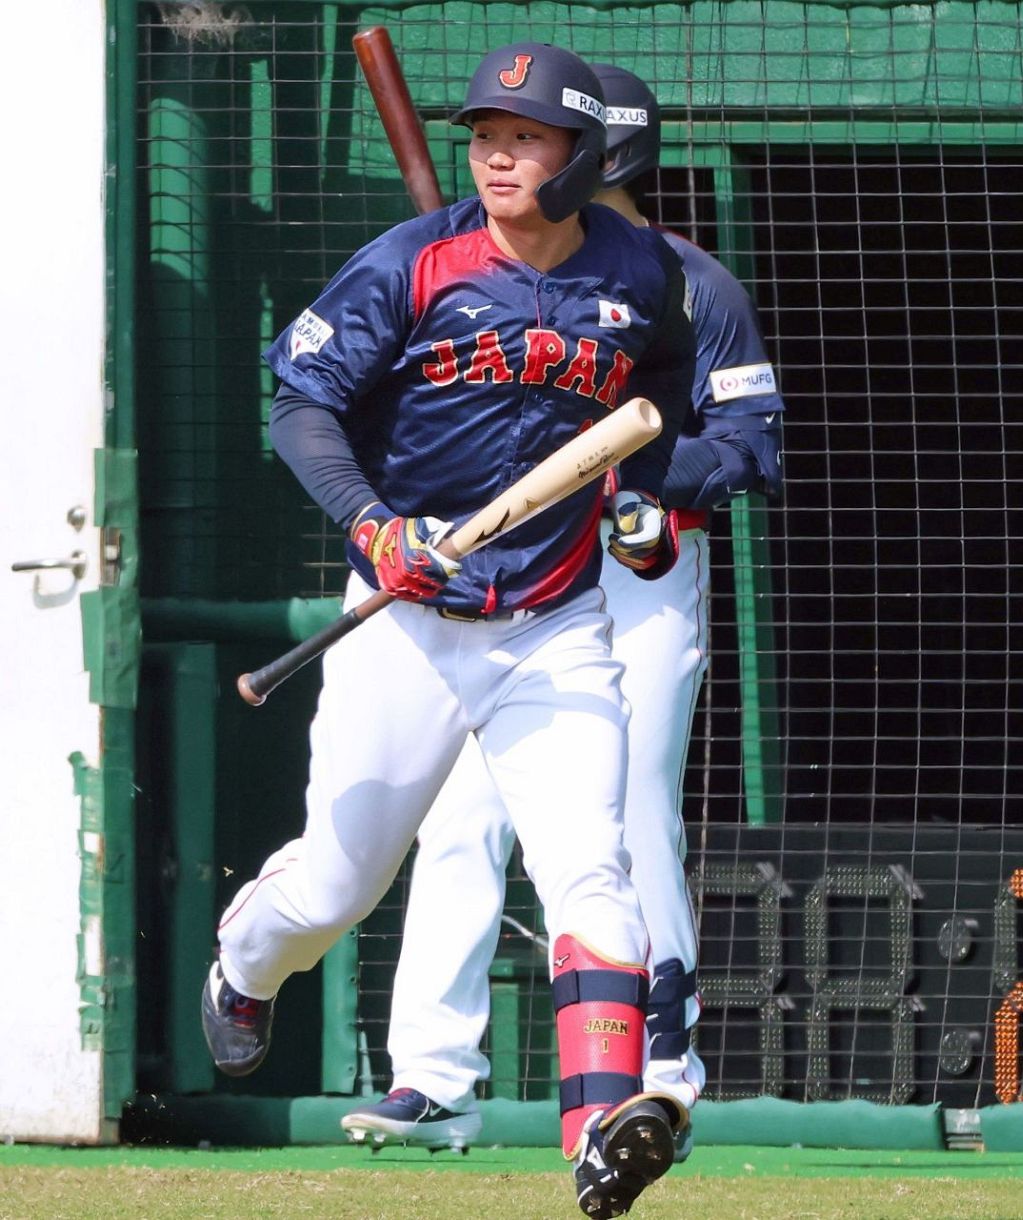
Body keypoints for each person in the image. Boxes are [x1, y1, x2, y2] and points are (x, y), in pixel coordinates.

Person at [200, 43, 699, 1220]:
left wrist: (639, 494)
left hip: (554, 618)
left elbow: (663, 389)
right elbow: (301, 404)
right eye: (484, 131)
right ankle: (242, 957)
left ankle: (599, 1134)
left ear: (584, 159)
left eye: (525, 136)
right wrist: (375, 526)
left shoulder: (641, 271)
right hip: (407, 619)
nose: (495, 151)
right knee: (334, 888)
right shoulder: (411, 264)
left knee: (593, 866)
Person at [339, 62, 786, 1166]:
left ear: (593, 156)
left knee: (626, 821)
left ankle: (656, 1082)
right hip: (497, 576)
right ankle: (436, 1079)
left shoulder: (689, 283)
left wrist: (619, 472)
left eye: (544, 143)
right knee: (456, 817)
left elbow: (752, 449)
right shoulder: (470, 267)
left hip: (634, 570)